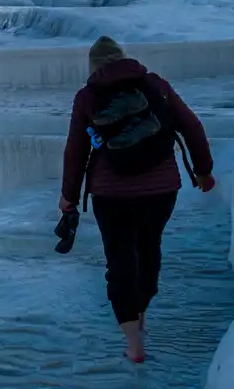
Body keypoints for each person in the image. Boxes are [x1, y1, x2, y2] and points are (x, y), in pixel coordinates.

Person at [60, 36, 215, 363]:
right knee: (148, 250)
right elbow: (191, 126)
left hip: (111, 193)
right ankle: (141, 312)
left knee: (119, 260)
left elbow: (76, 150)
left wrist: (68, 198)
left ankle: (133, 343)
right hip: (161, 190)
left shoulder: (87, 97)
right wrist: (203, 171)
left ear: (94, 67)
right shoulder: (155, 85)